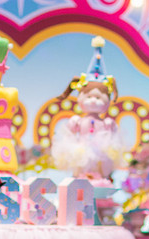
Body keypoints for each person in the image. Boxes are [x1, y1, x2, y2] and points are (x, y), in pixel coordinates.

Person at [50, 37, 124, 180]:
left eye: (99, 97)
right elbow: (67, 137)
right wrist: (73, 147)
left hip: (101, 158)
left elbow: (115, 142)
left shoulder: (106, 123)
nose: (94, 101)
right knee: (80, 176)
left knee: (100, 175)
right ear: (80, 98)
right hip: (81, 156)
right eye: (89, 96)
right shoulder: (77, 121)